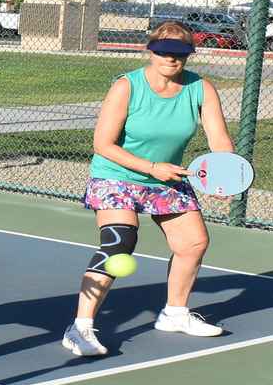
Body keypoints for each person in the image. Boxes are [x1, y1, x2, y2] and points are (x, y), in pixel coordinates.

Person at [63, 21, 235, 357]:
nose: (171, 59)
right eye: (164, 52)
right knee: (119, 242)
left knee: (193, 243)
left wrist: (221, 174)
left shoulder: (201, 88)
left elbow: (218, 139)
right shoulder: (127, 86)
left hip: (166, 178)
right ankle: (80, 327)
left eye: (180, 54)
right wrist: (151, 167)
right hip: (117, 174)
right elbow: (103, 144)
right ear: (150, 50)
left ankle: (175, 313)